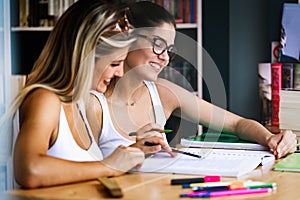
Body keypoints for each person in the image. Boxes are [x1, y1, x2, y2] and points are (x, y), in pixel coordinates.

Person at [88, 1, 297, 159]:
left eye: (169, 50)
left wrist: (271, 139)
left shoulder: (162, 93)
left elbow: (237, 124)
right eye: (158, 44)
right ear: (129, 38)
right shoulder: (93, 100)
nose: (165, 57)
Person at [2, 0, 146, 189]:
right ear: (84, 56)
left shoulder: (79, 103)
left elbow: (81, 169)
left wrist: (134, 152)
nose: (119, 73)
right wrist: (109, 165)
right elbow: (30, 170)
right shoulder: (45, 99)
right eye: (114, 64)